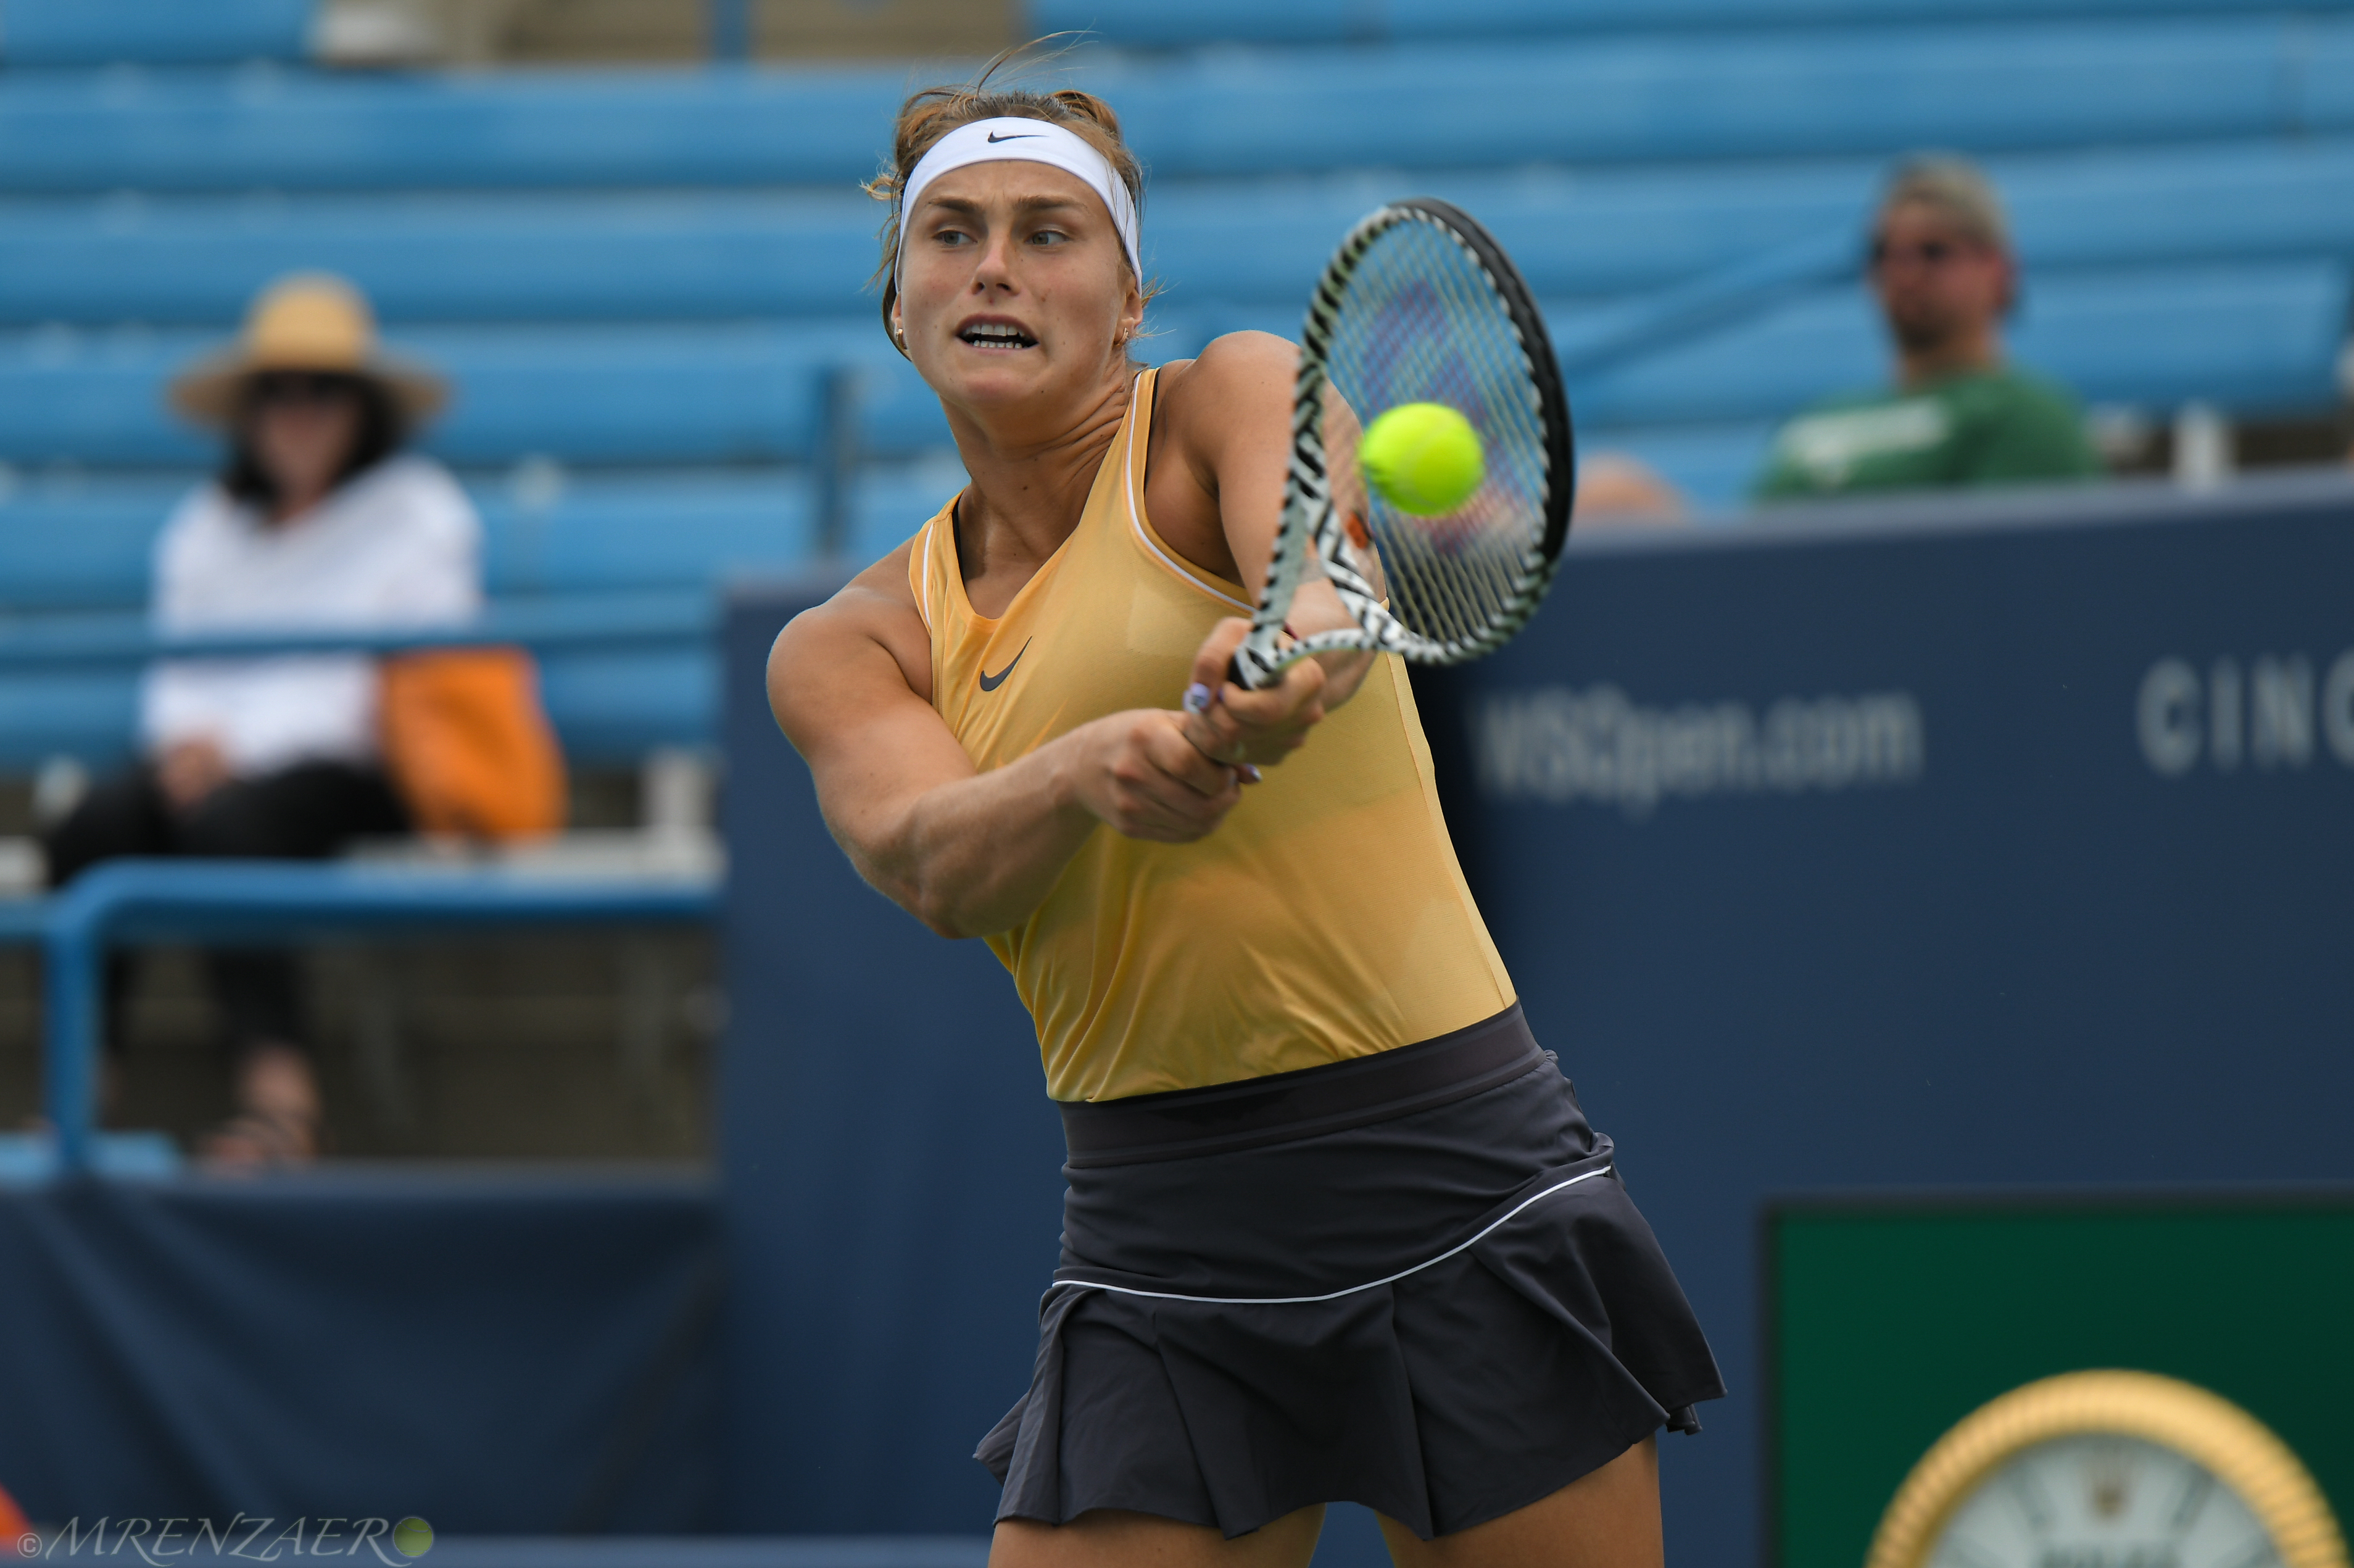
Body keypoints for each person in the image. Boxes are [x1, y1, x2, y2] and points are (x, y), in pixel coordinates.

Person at [767, 67, 1723, 1568]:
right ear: (900, 305)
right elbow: (929, 857)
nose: (996, 265)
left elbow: (1327, 593)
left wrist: (1289, 667)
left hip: (1454, 1171)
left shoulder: (1233, 392)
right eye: (950, 234)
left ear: (1128, 300)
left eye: (1048, 232)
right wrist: (1087, 772)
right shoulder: (853, 642)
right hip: (1159, 1242)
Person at [41, 274, 482, 1165]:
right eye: (277, 392)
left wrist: (222, 750)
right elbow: (178, 671)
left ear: (360, 407)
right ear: (249, 410)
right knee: (92, 826)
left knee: (231, 822)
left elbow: (400, 683)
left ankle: (283, 1104)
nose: (298, 413)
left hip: (362, 772)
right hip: (223, 773)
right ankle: (78, 1094)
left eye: (321, 391)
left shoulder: (419, 510)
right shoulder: (209, 525)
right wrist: (186, 750)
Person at [1754, 156, 2103, 500]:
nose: (1905, 273)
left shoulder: (2026, 418)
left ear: (1997, 270)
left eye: (1933, 251)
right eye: (1884, 253)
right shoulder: (1810, 425)